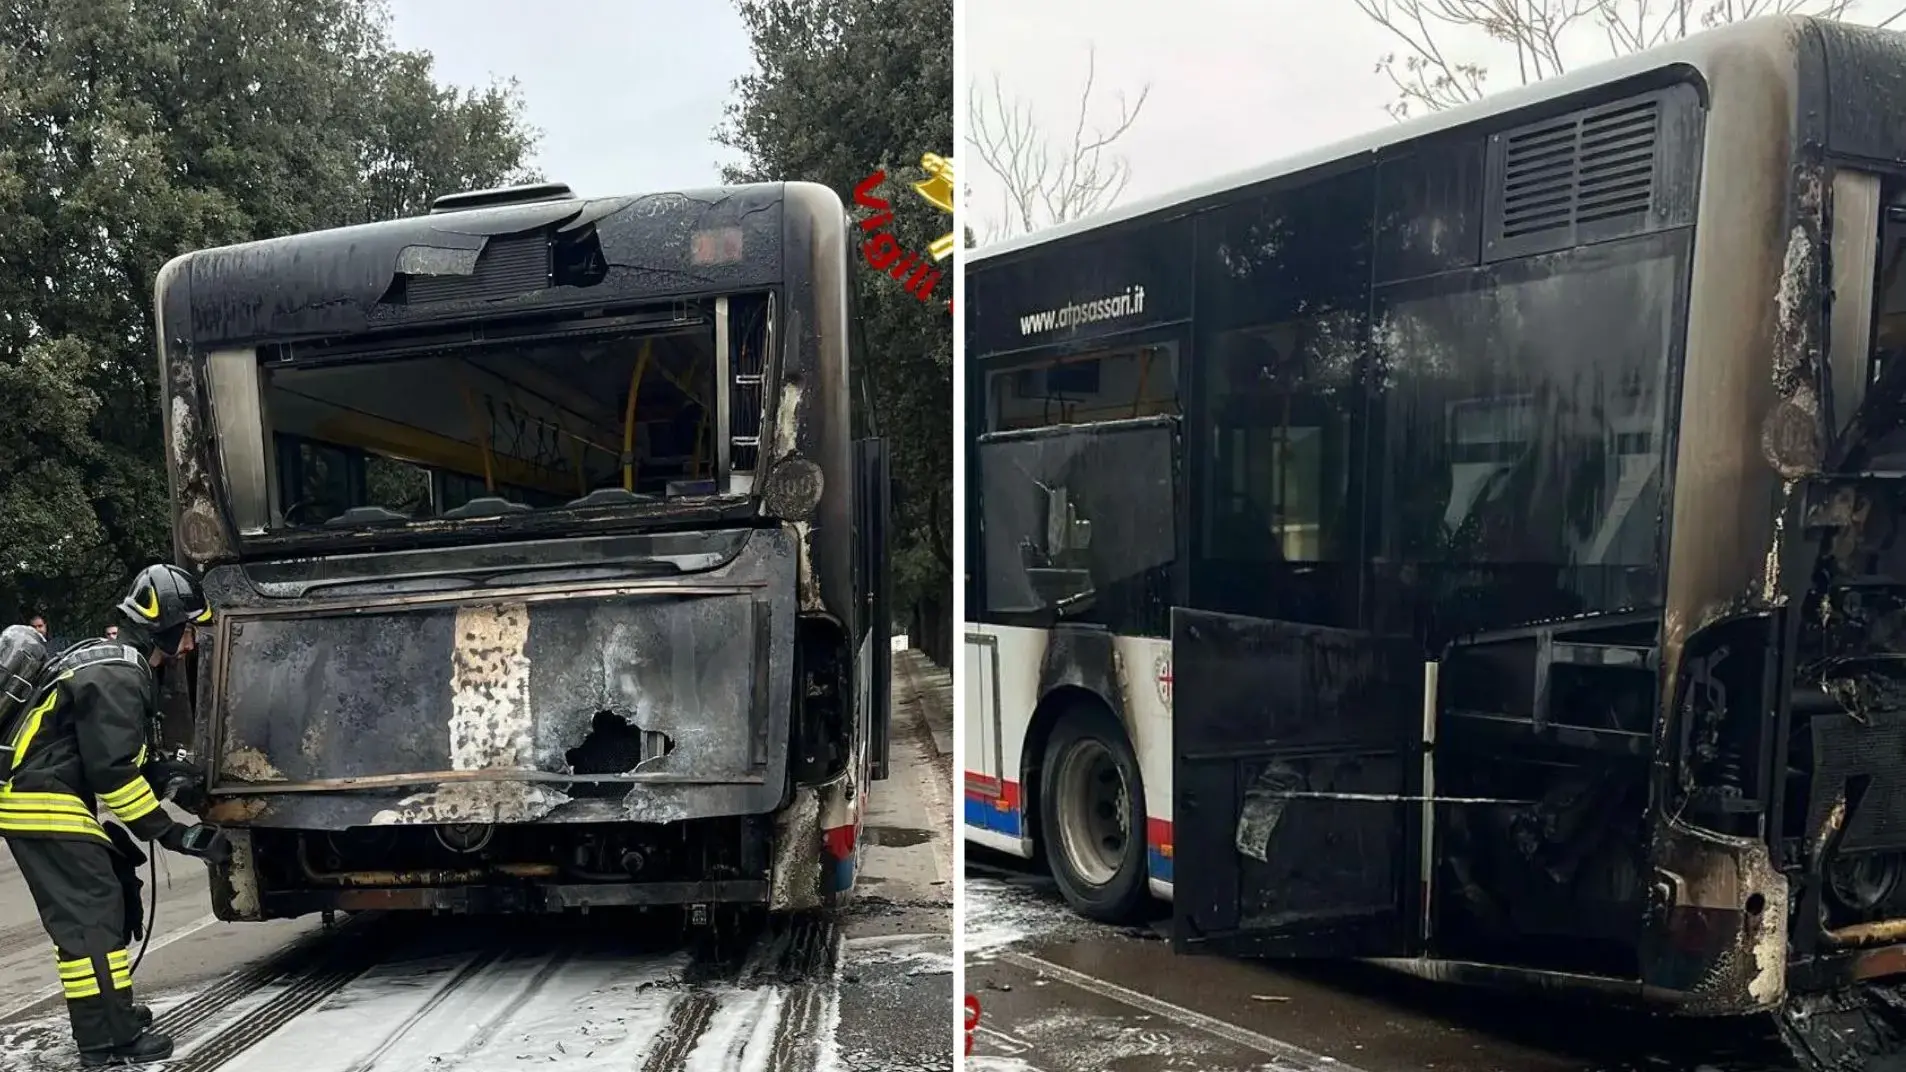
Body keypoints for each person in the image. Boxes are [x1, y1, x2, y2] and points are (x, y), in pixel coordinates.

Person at [0, 564, 228, 1067]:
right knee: (93, 923)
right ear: (166, 624)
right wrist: (176, 836)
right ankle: (110, 1039)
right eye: (188, 630)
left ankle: (106, 1018)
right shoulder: (121, 673)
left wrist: (169, 776)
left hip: (40, 800)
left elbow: (118, 756)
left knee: (94, 917)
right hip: (43, 804)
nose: (190, 645)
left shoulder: (109, 660)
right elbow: (113, 775)